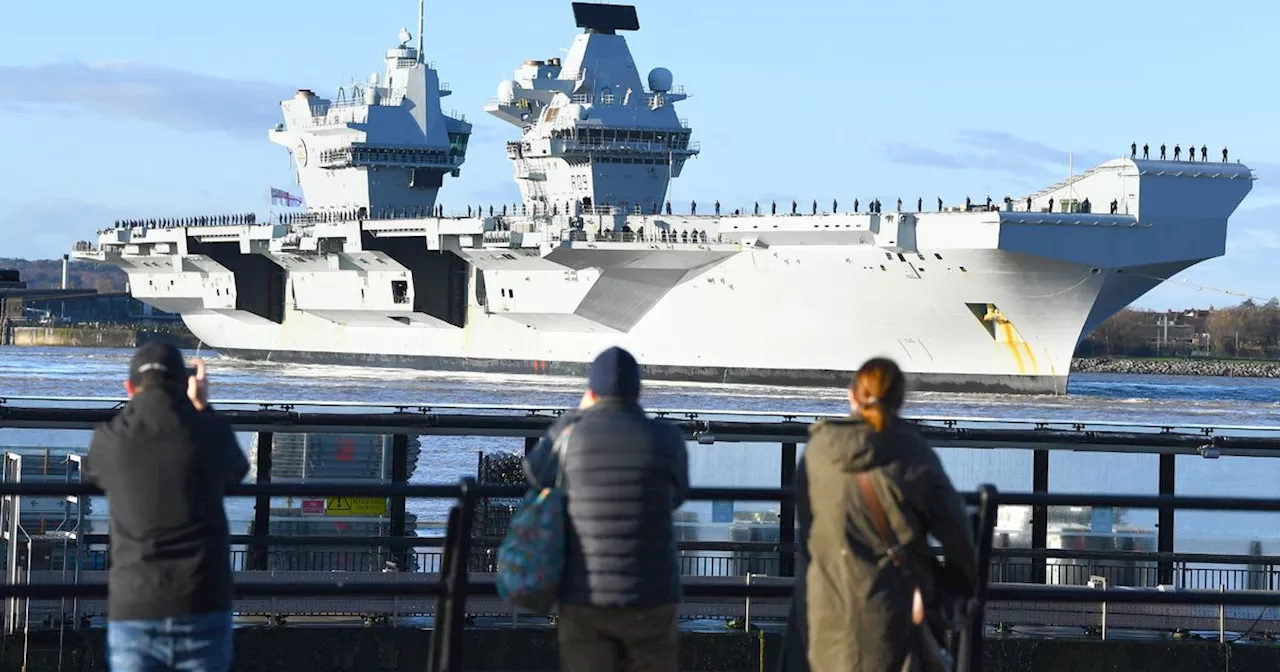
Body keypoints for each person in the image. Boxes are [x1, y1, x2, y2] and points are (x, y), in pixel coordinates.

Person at [799, 358, 975, 672]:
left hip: (827, 614)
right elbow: (957, 534)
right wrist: (955, 588)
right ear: (901, 400)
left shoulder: (818, 451)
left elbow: (807, 531)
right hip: (894, 614)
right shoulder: (912, 455)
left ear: (852, 395)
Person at [524, 347, 689, 672]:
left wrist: (576, 415)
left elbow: (534, 473)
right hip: (651, 593)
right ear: (638, 391)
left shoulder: (570, 432)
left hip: (585, 594)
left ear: (591, 392)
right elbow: (678, 495)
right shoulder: (666, 437)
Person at [85, 343, 249, 671]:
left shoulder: (110, 439)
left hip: (135, 605)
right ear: (184, 383)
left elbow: (92, 472)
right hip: (202, 599)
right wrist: (202, 407)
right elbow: (237, 471)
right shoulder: (209, 432)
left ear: (129, 388)